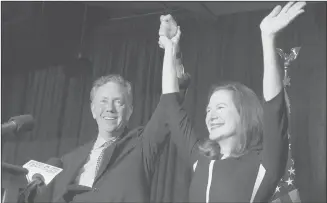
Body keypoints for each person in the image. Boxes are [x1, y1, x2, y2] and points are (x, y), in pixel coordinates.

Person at [158, 1, 306, 202]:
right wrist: (170, 47)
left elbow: (273, 107)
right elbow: (171, 106)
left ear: (243, 114)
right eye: (208, 110)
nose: (211, 115)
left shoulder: (265, 164)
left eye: (220, 107)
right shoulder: (200, 161)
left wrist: (267, 37)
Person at [34, 73, 188, 203]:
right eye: (103, 101)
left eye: (118, 102)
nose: (110, 108)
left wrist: (172, 50)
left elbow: (168, 106)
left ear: (129, 111)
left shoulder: (141, 145)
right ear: (93, 110)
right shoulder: (68, 161)